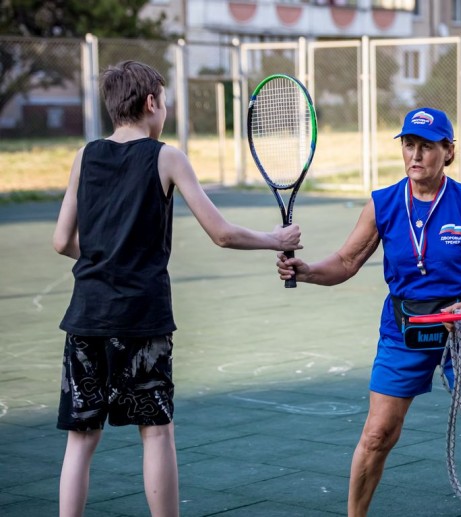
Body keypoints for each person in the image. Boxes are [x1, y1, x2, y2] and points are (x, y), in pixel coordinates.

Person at [53, 60, 301, 517]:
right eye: (164, 102)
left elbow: (62, 240)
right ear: (151, 103)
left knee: (81, 438)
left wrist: (107, 256)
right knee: (157, 430)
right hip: (141, 318)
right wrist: (276, 240)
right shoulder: (166, 155)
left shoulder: (85, 155)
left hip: (86, 315)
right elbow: (221, 232)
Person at [277, 107, 461, 516]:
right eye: (409, 145)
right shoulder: (383, 203)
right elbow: (345, 261)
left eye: (427, 147)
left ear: (448, 151)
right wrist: (306, 272)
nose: (415, 155)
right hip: (403, 330)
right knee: (378, 434)